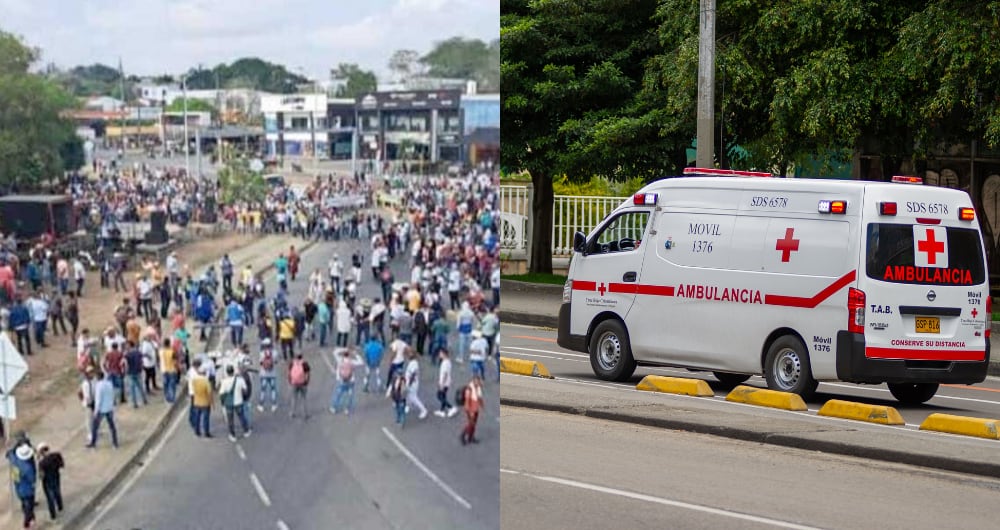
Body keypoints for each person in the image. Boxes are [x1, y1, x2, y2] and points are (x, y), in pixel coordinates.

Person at [218, 364, 251, 441]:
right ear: (233, 371)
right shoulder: (240, 380)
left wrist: (223, 402)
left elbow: (221, 393)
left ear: (227, 372)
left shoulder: (224, 381)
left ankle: (232, 435)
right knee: (242, 417)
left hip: (229, 403)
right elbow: (245, 390)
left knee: (230, 420)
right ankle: (246, 431)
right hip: (239, 401)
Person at [7, 442, 37, 528]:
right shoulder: (28, 468)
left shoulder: (15, 461)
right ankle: (28, 522)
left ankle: (31, 519)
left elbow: (10, 455)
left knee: (24, 504)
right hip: (28, 490)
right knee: (29, 507)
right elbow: (32, 479)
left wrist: (10, 452)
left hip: (18, 488)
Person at [87, 371, 120, 449]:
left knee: (95, 426)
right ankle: (115, 442)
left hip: (101, 409)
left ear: (98, 377)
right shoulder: (109, 384)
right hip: (109, 407)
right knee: (112, 426)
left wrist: (96, 411)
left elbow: (98, 400)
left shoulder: (99, 386)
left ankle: (93, 442)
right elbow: (112, 394)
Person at [37, 443, 64, 521]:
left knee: (50, 498)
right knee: (57, 492)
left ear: (42, 452)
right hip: (56, 476)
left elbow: (41, 476)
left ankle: (53, 515)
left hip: (47, 482)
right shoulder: (57, 455)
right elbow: (61, 465)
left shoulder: (42, 463)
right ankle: (60, 506)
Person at [331, 348, 362, 415]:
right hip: (351, 380)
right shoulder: (352, 362)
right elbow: (361, 362)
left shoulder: (340, 360)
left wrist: (344, 349)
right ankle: (347, 409)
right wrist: (355, 354)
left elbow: (335, 352)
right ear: (349, 355)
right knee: (350, 395)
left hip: (341, 380)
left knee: (338, 394)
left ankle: (334, 407)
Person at [190, 358, 213, 437]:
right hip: (205, 402)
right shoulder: (206, 381)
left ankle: (197, 431)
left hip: (197, 401)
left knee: (197, 417)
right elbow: (209, 393)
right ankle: (206, 432)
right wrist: (211, 402)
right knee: (205, 419)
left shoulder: (194, 381)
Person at [404, 348, 428, 420]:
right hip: (411, 382)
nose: (407, 355)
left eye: (408, 354)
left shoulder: (414, 363)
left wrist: (408, 384)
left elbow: (413, 375)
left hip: (412, 383)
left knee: (413, 398)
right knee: (408, 396)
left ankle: (423, 410)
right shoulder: (412, 362)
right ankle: (407, 406)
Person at [461, 374, 484, 445]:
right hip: (470, 409)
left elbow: (479, 397)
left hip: (476, 407)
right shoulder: (469, 388)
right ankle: (463, 435)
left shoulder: (478, 387)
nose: (478, 382)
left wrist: (482, 405)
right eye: (476, 381)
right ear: (473, 381)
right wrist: (471, 412)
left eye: (478, 381)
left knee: (474, 424)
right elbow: (467, 401)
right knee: (471, 423)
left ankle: (471, 437)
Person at [257, 339, 279, 412]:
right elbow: (276, 362)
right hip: (272, 374)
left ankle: (261, 405)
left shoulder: (261, 353)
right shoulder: (275, 352)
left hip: (263, 374)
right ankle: (273, 405)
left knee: (263, 390)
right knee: (273, 389)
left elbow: (260, 362)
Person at [435, 348, 457, 417]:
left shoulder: (445, 363)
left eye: (440, 353)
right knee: (443, 395)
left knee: (439, 396)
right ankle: (442, 410)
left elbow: (445, 374)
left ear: (444, 354)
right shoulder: (447, 362)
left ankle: (451, 407)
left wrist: (441, 384)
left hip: (444, 383)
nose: (439, 355)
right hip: (447, 382)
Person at [288, 353, 311, 419]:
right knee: (303, 398)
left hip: (294, 383)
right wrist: (306, 382)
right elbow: (307, 373)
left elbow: (289, 373)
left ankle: (292, 413)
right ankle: (305, 414)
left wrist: (290, 381)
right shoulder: (304, 364)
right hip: (303, 383)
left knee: (294, 398)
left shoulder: (292, 363)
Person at [160, 337, 179, 403]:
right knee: (172, 385)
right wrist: (178, 368)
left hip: (164, 370)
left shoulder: (161, 351)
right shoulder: (172, 352)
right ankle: (172, 398)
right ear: (169, 344)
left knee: (166, 384)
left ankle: (167, 397)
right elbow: (175, 362)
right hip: (172, 370)